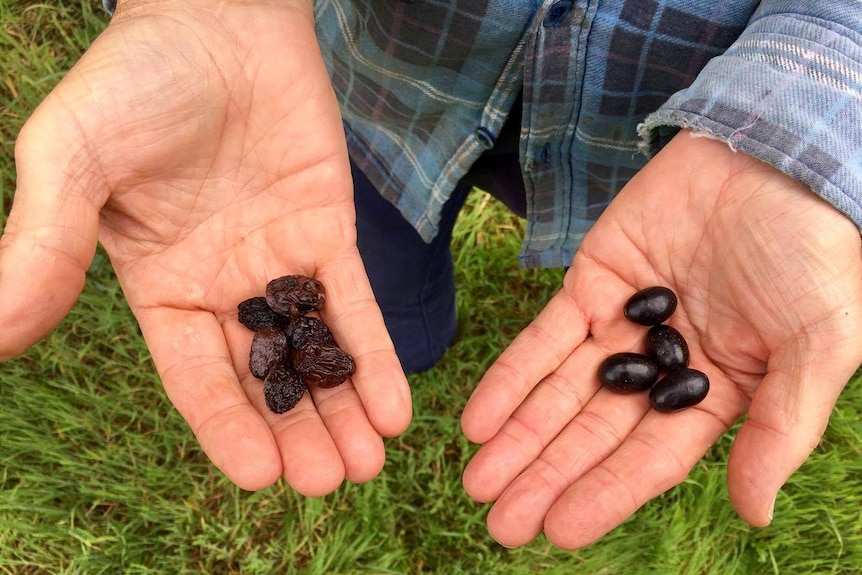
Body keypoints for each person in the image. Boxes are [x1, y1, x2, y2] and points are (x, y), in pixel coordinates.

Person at [2, 0, 860, 551]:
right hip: (361, 112)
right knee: (377, 300)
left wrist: (809, 135)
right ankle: (411, 333)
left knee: (385, 316)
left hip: (658, 140)